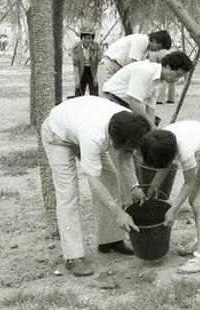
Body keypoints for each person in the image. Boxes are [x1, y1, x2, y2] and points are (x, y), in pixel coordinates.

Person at [40, 96, 152, 276]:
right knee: (68, 193)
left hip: (79, 122)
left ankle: (110, 240)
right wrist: (118, 212)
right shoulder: (94, 137)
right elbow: (94, 182)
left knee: (110, 176)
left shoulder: (131, 123)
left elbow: (125, 156)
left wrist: (134, 186)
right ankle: (73, 257)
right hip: (58, 134)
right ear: (114, 141)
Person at [140, 120, 200, 273]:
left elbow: (189, 183)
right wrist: (155, 184)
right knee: (193, 200)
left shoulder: (185, 150)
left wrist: (173, 209)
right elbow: (165, 162)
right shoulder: (161, 139)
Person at [102, 51, 192, 127]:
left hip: (127, 102)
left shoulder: (160, 80)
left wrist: (152, 127)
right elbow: (135, 102)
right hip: (112, 99)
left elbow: (150, 107)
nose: (177, 79)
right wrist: (151, 127)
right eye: (178, 75)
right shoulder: (146, 71)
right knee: (134, 127)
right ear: (168, 67)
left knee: (152, 123)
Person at [98, 30, 172, 86]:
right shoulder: (140, 40)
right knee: (106, 98)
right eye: (158, 47)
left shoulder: (145, 50)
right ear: (154, 40)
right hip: (110, 65)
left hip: (118, 68)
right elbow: (134, 64)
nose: (157, 51)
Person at [71, 25, 103, 96]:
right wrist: (77, 80)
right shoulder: (76, 48)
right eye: (85, 38)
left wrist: (96, 77)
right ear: (81, 38)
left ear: (92, 39)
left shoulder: (97, 47)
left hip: (93, 72)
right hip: (81, 72)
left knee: (94, 97)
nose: (87, 40)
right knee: (78, 96)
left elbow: (100, 63)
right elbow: (75, 65)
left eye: (89, 38)